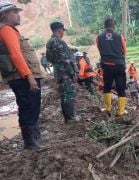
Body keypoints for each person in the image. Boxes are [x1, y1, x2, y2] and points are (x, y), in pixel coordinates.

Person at [0, 2, 43, 149]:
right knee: (28, 107)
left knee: (33, 106)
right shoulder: (6, 30)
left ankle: (35, 139)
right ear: (5, 15)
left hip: (22, 76)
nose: (18, 15)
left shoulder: (11, 30)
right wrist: (29, 76)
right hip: (21, 77)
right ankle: (30, 143)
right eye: (14, 12)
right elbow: (16, 55)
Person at [46, 21, 79, 124]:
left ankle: (68, 117)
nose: (63, 33)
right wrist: (72, 73)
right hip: (65, 73)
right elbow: (65, 59)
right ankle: (70, 118)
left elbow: (50, 58)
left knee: (63, 94)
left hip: (58, 72)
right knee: (68, 94)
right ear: (59, 30)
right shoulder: (58, 42)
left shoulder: (50, 42)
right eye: (62, 31)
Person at [96, 18, 126, 117]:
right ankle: (121, 111)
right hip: (119, 65)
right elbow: (124, 50)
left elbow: (100, 50)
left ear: (105, 26)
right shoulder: (119, 36)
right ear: (113, 26)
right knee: (121, 88)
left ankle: (108, 109)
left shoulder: (99, 37)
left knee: (107, 87)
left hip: (107, 65)